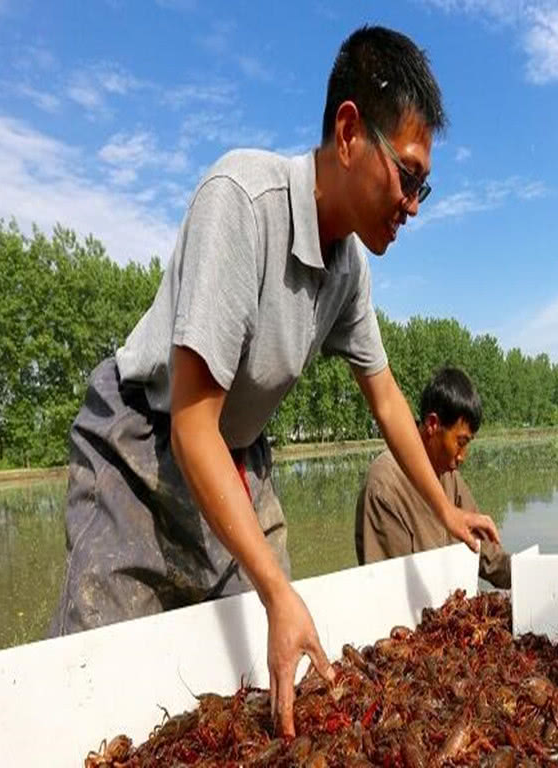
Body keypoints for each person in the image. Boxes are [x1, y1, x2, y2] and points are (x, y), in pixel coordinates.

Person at [48, 25, 499, 735]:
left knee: (276, 680)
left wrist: (446, 513)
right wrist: (276, 590)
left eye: (424, 186)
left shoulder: (350, 269)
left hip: (239, 454)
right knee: (99, 681)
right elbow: (191, 425)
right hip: (140, 446)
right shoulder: (242, 201)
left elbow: (384, 398)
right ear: (349, 131)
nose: (413, 205)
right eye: (408, 177)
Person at [356, 367, 511, 588]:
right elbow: (392, 590)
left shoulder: (450, 477)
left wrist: (526, 573)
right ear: (432, 424)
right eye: (461, 442)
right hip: (419, 615)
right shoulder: (385, 485)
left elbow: (485, 554)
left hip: (449, 605)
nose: (463, 456)